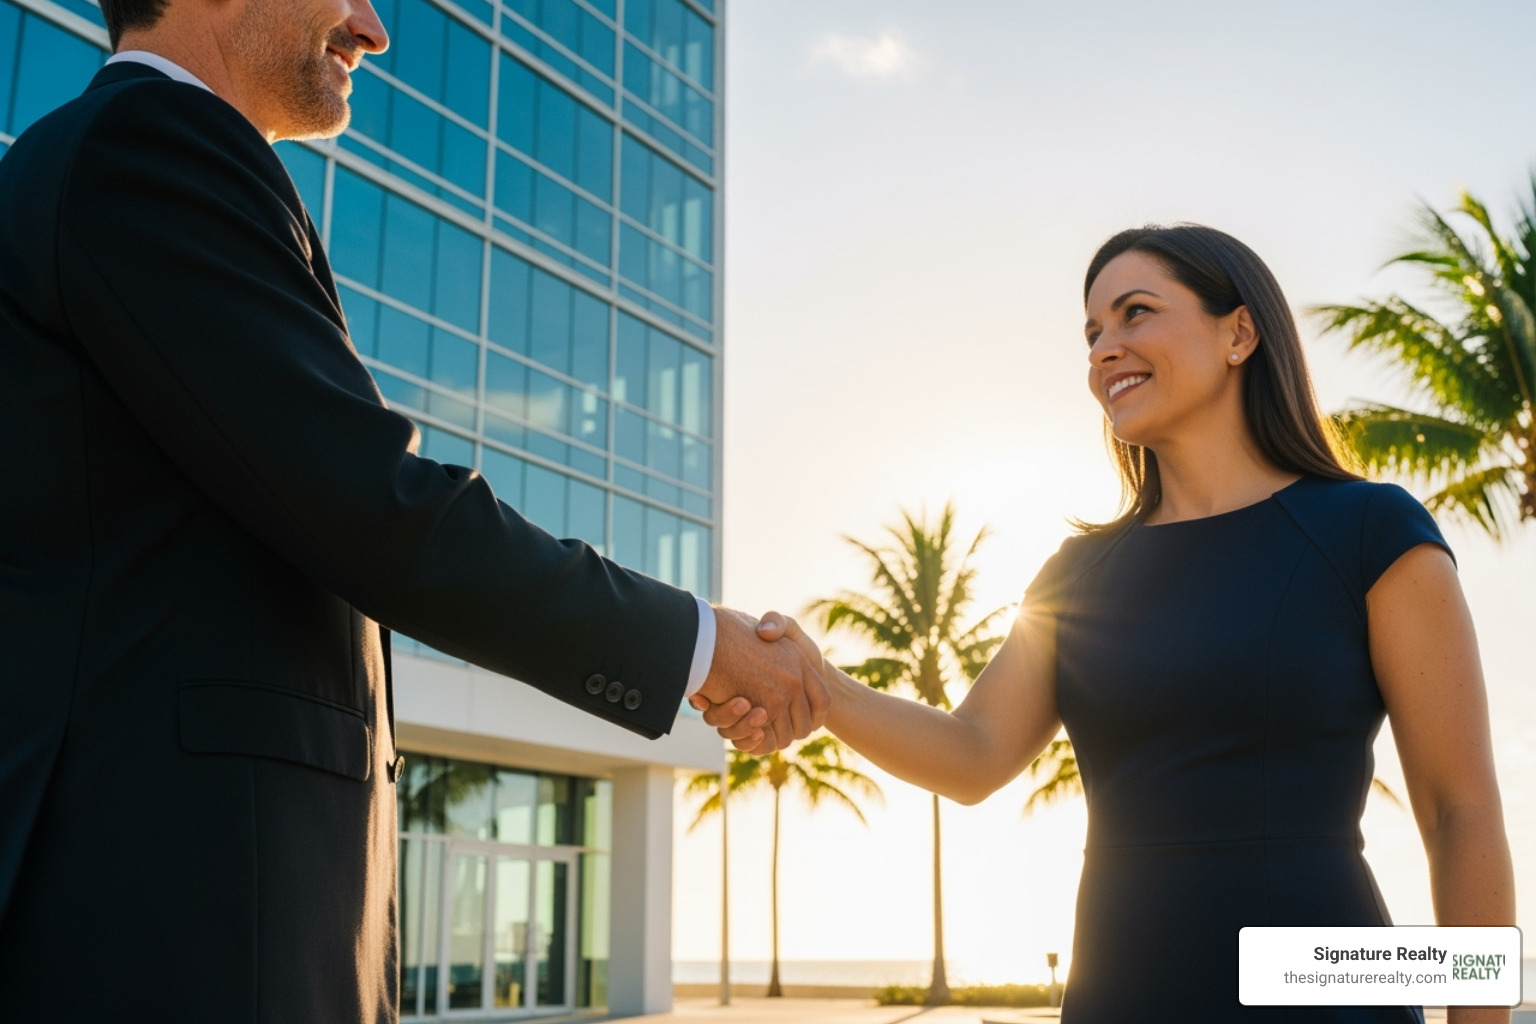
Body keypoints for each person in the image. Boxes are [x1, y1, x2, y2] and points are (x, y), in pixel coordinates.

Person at [0, 0, 818, 1019]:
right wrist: (695, 644)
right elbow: (374, 506)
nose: (373, 27)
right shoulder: (145, 149)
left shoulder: (124, 162)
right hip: (178, 926)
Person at [702, 226, 1515, 1023]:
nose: (1101, 350)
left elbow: (1459, 812)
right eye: (1092, 332)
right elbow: (974, 754)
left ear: (1239, 333)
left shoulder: (1370, 530)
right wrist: (822, 686)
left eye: (1134, 313)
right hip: (1123, 988)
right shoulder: (1076, 574)